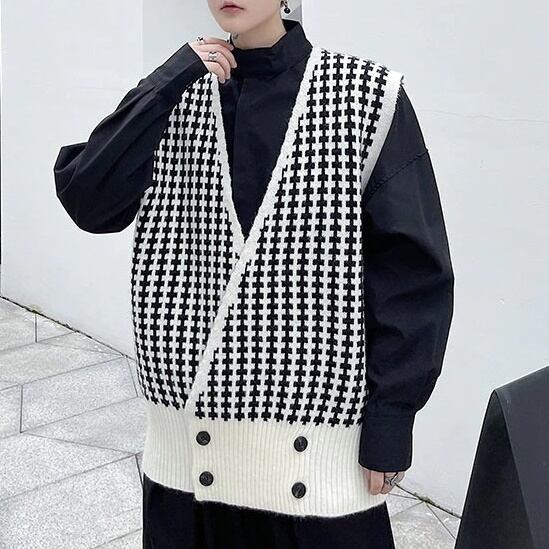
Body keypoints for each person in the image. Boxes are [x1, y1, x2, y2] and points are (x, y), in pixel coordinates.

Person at [53, 1, 455, 547]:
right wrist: (168, 82)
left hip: (314, 469)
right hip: (185, 470)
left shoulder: (366, 97)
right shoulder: (177, 94)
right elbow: (88, 200)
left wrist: (392, 418)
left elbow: (411, 272)